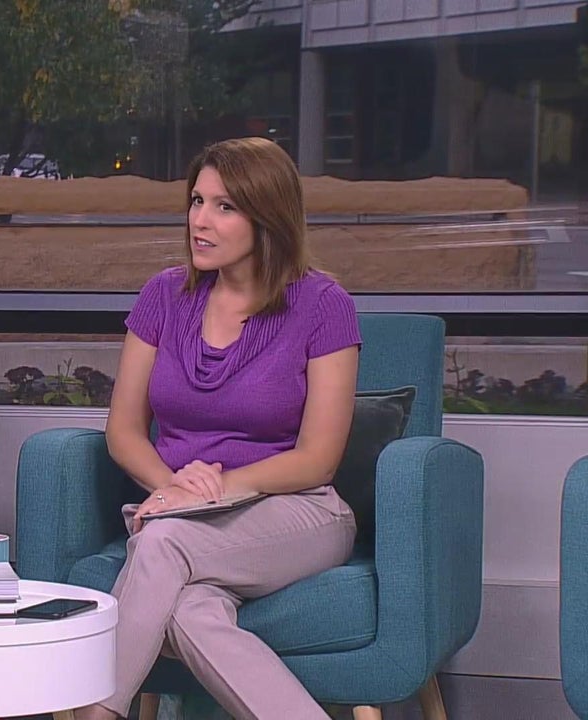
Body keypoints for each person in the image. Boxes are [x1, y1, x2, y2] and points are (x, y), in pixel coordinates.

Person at [74, 137, 361, 720]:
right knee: (189, 611)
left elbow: (319, 458)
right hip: (184, 513)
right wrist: (174, 488)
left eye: (224, 207)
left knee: (161, 543)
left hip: (299, 511)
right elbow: (123, 431)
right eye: (197, 201)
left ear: (267, 217)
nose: (199, 221)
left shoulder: (323, 304)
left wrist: (216, 489)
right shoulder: (163, 296)